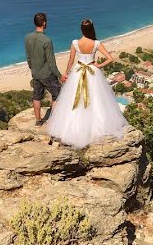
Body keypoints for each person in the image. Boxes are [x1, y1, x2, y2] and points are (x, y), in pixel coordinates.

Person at [47, 18, 128, 148]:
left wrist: (66, 73)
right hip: (92, 71)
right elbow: (110, 58)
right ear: (91, 29)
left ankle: (73, 127)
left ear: (81, 29)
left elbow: (71, 60)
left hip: (78, 71)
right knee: (95, 98)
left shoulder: (75, 43)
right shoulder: (96, 43)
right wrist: (99, 65)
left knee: (74, 99)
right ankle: (94, 126)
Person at [24, 12, 62, 127]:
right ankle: (55, 120)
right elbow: (51, 63)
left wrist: (32, 68)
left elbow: (28, 57)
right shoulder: (47, 40)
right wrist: (60, 76)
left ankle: (38, 121)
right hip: (47, 74)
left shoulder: (27, 37)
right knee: (58, 94)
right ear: (44, 23)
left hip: (35, 73)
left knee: (37, 96)